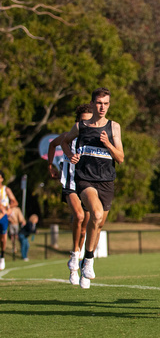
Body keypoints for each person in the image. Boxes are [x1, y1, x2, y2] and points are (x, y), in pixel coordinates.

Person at [61, 87, 124, 289]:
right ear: (93, 103)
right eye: (99, 103)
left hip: (106, 181)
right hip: (85, 180)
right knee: (95, 215)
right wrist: (70, 156)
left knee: (98, 224)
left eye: (106, 103)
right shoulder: (81, 126)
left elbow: (121, 158)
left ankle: (86, 260)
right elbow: (64, 141)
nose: (102, 107)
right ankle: (86, 259)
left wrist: (108, 145)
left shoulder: (114, 127)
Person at [48, 104, 93, 285]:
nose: (86, 123)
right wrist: (50, 165)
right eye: (83, 120)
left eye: (89, 120)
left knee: (84, 229)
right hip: (70, 183)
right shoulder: (69, 137)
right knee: (79, 215)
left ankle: (79, 265)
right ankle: (75, 257)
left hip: (88, 184)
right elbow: (52, 144)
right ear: (78, 121)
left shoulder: (94, 138)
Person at [0, 170, 18, 270]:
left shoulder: (6, 190)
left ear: (2, 179)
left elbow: (15, 202)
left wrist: (7, 208)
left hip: (3, 217)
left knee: (3, 239)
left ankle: (2, 256)